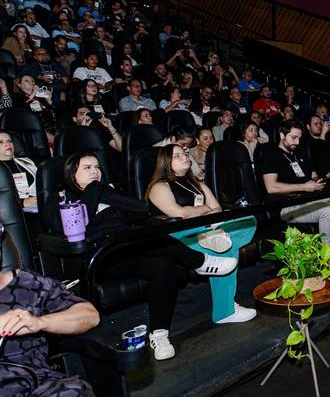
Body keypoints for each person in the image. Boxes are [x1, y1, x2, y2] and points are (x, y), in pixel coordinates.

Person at [56, 152, 237, 360]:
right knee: (147, 244)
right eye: (87, 168)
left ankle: (159, 334)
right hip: (100, 258)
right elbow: (73, 224)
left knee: (162, 264)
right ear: (72, 173)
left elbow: (141, 210)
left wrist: (104, 192)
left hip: (130, 250)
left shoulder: (108, 191)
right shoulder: (62, 199)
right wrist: (95, 189)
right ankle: (200, 261)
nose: (95, 171)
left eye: (97, 167)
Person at [147, 144, 258, 325]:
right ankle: (225, 311)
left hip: (208, 228)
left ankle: (216, 237)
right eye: (177, 155)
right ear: (165, 162)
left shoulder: (198, 184)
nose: (185, 156)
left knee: (248, 220)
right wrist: (205, 209)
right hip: (180, 236)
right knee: (225, 248)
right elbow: (179, 214)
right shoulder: (160, 186)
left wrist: (206, 215)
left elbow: (218, 209)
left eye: (185, 153)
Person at [0, 223, 100, 396]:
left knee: (74, 391)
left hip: (34, 384)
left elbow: (90, 315)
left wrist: (40, 322)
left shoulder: (26, 283)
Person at [262, 121, 330, 250]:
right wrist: (304, 187)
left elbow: (313, 175)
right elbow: (271, 187)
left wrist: (317, 182)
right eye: (293, 137)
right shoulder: (271, 154)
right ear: (282, 135)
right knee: (326, 209)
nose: (297, 142)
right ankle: (328, 256)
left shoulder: (300, 152)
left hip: (309, 199)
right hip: (286, 204)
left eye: (299, 138)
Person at [0, 130, 38, 208]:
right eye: (1, 142)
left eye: (9, 141)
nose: (8, 144)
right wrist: (22, 202)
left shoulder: (27, 161)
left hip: (40, 206)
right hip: (14, 211)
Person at [12, 73, 57, 140]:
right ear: (19, 85)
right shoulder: (17, 97)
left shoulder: (40, 97)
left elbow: (55, 113)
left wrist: (49, 100)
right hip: (33, 128)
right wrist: (33, 94)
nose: (31, 82)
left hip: (50, 126)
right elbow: (22, 112)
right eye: (26, 80)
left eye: (32, 80)